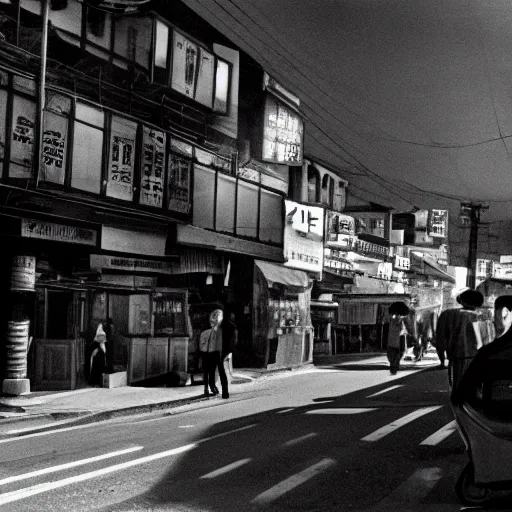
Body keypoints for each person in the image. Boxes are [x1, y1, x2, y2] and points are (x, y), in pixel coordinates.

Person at [452, 295, 512, 409]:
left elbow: (460, 395)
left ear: (504, 313)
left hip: (495, 419)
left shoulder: (489, 354)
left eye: (495, 312)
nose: (493, 320)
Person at [434, 288, 484, 389]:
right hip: (480, 357)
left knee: (459, 387)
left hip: (457, 357)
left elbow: (440, 339)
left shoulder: (447, 314)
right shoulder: (485, 315)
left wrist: (442, 359)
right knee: (477, 388)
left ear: (461, 300)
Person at [199, 309, 235, 399]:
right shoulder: (212, 331)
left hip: (216, 352)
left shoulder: (216, 330)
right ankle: (220, 390)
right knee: (216, 371)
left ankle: (216, 389)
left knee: (215, 371)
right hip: (215, 352)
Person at [387, 302, 412, 375]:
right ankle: (394, 364)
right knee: (398, 353)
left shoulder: (393, 317)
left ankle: (394, 364)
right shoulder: (399, 318)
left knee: (394, 354)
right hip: (398, 339)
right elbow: (406, 325)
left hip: (392, 339)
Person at [89, 322, 107, 386]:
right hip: (100, 353)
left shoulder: (98, 334)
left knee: (96, 368)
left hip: (98, 353)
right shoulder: (102, 334)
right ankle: (99, 381)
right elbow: (102, 343)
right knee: (99, 367)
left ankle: (95, 381)